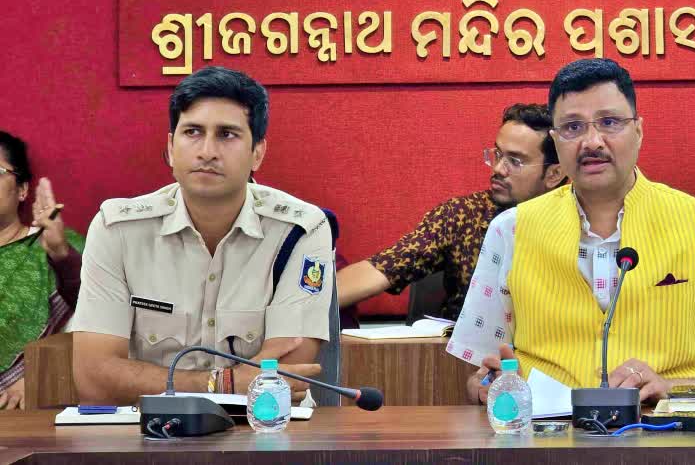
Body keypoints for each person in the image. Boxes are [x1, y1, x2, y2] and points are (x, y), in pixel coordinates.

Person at [448, 59, 695, 404]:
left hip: (671, 443)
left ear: (638, 130)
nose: (592, 142)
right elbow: (474, 379)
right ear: (555, 142)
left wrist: (673, 389)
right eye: (573, 127)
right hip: (546, 447)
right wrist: (489, 386)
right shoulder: (511, 231)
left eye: (609, 123)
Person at [71, 67, 332, 405]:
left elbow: (287, 376)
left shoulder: (301, 230)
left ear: (258, 153)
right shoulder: (117, 230)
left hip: (263, 432)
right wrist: (224, 384)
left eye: (227, 134)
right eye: (193, 132)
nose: (207, 150)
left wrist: (155, 381)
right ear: (170, 146)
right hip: (152, 436)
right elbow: (95, 379)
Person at [336, 103, 565, 318]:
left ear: (554, 174)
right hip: (466, 356)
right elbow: (383, 268)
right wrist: (304, 307)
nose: (497, 168)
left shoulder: (581, 223)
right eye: (497, 154)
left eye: (515, 161)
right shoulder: (462, 215)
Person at [0, 132, 85, 410]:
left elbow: (101, 316)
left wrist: (36, 374)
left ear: (23, 189)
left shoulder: (53, 244)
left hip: (25, 407)